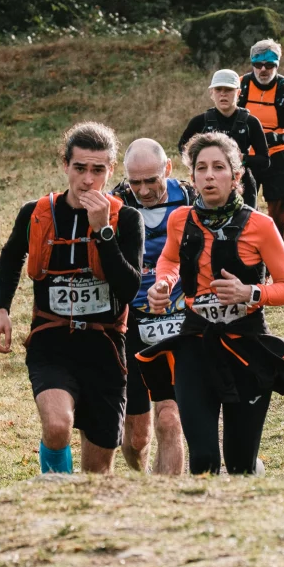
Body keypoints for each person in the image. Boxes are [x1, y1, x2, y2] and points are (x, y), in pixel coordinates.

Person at [137, 133, 284, 476]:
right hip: (195, 342)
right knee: (203, 461)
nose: (209, 176)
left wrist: (250, 293)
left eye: (218, 167)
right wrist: (164, 283)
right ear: (193, 176)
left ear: (236, 175)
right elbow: (169, 259)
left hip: (246, 345)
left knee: (241, 464)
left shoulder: (260, 225)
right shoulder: (180, 220)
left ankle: (251, 483)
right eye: (201, 168)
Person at [0, 123, 145, 475]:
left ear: (110, 171)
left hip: (106, 348)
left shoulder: (127, 219)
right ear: (65, 165)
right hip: (52, 341)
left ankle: (79, 505)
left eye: (98, 170)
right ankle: (54, 491)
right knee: (57, 426)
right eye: (80, 168)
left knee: (96, 474)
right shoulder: (36, 214)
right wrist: (2, 309)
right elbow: (11, 256)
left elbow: (128, 290)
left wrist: (103, 231)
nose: (88, 180)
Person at [111, 139, 194, 475]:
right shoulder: (115, 204)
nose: (143, 190)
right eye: (136, 182)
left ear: (168, 169)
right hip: (131, 322)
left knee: (169, 418)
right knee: (136, 438)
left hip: (180, 317)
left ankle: (168, 499)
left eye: (151, 180)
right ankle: (144, 485)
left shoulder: (190, 198)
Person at [178, 69, 270, 209]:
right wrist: (201, 164)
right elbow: (183, 148)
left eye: (228, 90)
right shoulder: (200, 122)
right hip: (209, 184)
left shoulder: (250, 122)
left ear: (238, 93)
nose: (223, 94)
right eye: (218, 89)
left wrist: (242, 159)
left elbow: (265, 160)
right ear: (211, 93)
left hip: (242, 185)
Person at [239, 39, 284, 235]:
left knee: (278, 216)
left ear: (277, 64)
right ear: (252, 63)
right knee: (244, 210)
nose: (263, 70)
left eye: (269, 65)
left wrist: (281, 138)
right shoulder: (241, 85)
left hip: (277, 154)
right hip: (246, 156)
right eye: (258, 65)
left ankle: (276, 248)